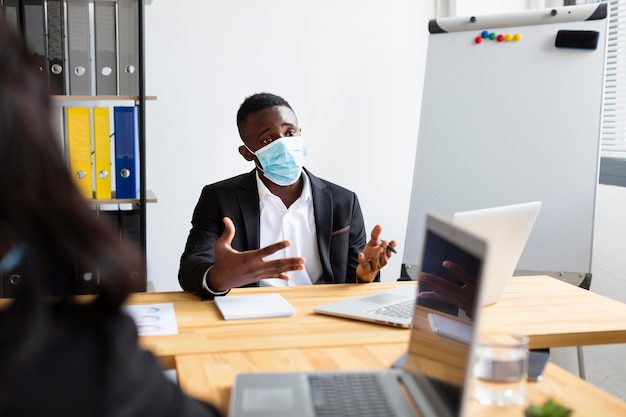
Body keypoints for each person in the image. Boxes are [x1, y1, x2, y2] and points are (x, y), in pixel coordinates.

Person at [0, 21, 220, 417]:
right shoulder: (73, 363)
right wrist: (217, 276)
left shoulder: (341, 200)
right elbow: (195, 266)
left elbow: (355, 270)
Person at [179, 92, 396, 299]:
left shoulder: (344, 202)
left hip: (320, 319)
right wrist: (217, 278)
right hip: (251, 319)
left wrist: (364, 277)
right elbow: (191, 268)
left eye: (290, 133)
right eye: (267, 140)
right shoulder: (219, 199)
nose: (283, 143)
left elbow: (354, 279)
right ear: (247, 153)